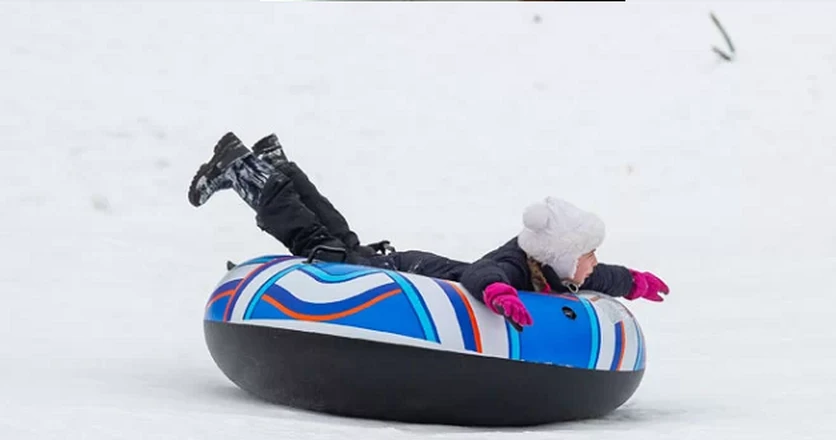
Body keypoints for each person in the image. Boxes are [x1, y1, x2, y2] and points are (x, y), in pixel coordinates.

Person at [188, 132, 669, 327]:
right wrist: (501, 295)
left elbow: (599, 277)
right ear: (563, 254)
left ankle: (277, 167)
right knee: (319, 247)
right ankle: (246, 171)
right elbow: (484, 274)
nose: (594, 263)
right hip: (399, 274)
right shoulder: (519, 265)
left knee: (338, 241)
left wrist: (635, 282)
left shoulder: (561, 269)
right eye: (589, 254)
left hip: (400, 264)